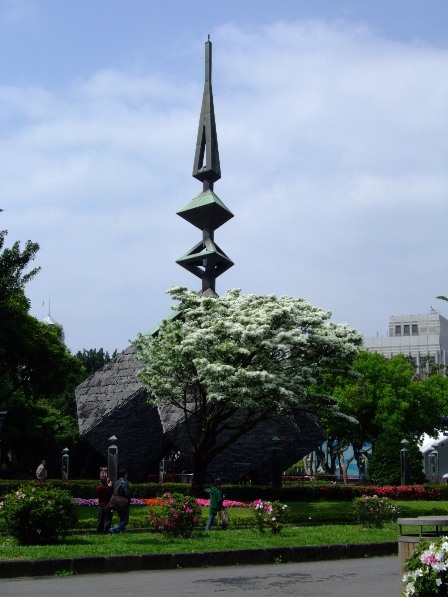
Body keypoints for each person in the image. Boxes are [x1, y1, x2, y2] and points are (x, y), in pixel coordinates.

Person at [109, 469, 132, 533]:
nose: (127, 475)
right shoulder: (125, 482)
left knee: (122, 518)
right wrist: (128, 502)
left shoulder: (116, 482)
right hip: (123, 502)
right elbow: (127, 493)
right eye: (126, 474)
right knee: (126, 521)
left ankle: (122, 531)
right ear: (125, 474)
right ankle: (113, 530)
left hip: (116, 502)